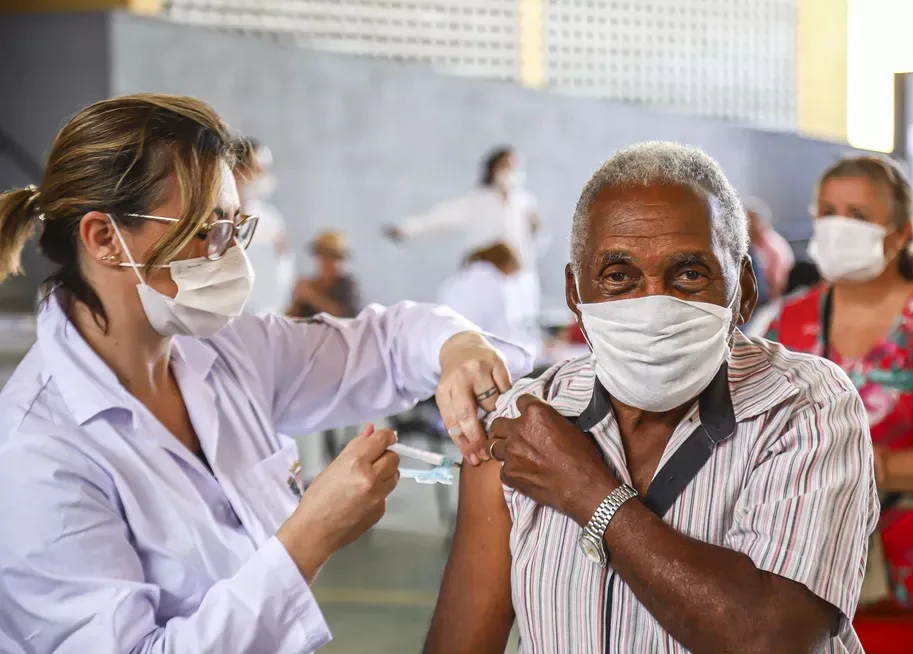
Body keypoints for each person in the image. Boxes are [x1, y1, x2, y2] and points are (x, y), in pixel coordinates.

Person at [0, 94, 533, 654]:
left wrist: (457, 344)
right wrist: (311, 535)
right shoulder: (36, 453)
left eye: (234, 227)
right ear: (104, 239)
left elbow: (386, 343)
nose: (229, 257)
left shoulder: (227, 352)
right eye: (204, 230)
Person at [425, 142, 878, 653]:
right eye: (619, 277)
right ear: (576, 293)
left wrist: (588, 492)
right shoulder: (527, 422)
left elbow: (774, 640)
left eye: (689, 275)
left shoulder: (804, 408)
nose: (654, 307)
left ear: (744, 291)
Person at [767, 154, 913, 654]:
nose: (838, 226)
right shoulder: (793, 320)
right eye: (828, 211)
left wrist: (862, 466)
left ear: (900, 233)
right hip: (808, 575)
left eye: (858, 216)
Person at [384, 146, 544, 340]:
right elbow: (441, 217)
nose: (511, 171)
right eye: (505, 165)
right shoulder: (477, 201)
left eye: (515, 166)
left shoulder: (525, 202)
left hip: (518, 278)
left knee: (520, 331)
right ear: (493, 169)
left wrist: (538, 230)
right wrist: (407, 230)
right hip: (486, 274)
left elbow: (537, 241)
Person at [437, 241, 542, 360]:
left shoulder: (455, 282)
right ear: (508, 264)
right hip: (482, 354)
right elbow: (504, 336)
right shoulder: (496, 286)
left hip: (450, 353)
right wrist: (536, 349)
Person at [234, 137, 296, 315]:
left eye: (264, 171)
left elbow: (285, 268)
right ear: (236, 170)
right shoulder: (212, 217)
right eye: (258, 170)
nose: (262, 178)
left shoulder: (271, 219)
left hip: (267, 318)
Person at [288, 230, 361, 319]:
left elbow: (346, 316)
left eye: (333, 257)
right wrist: (298, 298)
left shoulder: (347, 284)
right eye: (324, 256)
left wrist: (311, 296)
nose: (328, 262)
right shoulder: (310, 284)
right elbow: (291, 318)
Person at [746, 196, 794, 300]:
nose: (748, 225)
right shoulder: (752, 245)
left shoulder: (773, 247)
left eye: (751, 220)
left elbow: (778, 285)